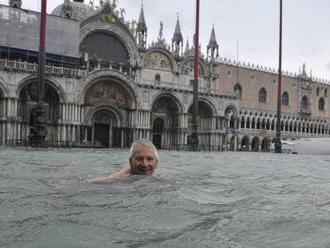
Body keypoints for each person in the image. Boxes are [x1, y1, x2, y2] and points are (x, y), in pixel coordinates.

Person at [89, 139, 159, 182]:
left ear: (156, 163)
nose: (145, 164)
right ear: (130, 162)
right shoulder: (116, 178)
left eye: (149, 159)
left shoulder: (159, 177)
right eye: (139, 159)